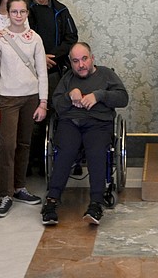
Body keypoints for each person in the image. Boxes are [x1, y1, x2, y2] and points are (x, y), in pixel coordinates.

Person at [41, 42, 129, 226]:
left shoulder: (106, 74)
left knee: (97, 152)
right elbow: (56, 104)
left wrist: (99, 95)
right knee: (65, 151)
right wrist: (69, 95)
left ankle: (96, 203)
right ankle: (51, 200)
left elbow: (123, 98)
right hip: (70, 123)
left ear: (92, 58)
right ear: (71, 63)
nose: (81, 65)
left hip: (98, 124)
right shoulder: (67, 79)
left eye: (84, 59)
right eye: (75, 61)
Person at [0, 0, 47, 218]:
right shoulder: (0, 40)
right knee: (7, 145)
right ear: (8, 13)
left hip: (31, 98)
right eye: (14, 12)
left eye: (22, 11)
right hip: (7, 100)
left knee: (24, 143)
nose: (19, 15)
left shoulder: (35, 39)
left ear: (27, 13)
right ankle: (5, 193)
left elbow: (42, 72)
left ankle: (20, 186)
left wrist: (43, 102)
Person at [27, 0, 79, 173]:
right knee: (33, 118)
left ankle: (53, 160)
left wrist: (53, 57)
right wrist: (39, 58)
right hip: (28, 72)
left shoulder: (61, 10)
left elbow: (71, 38)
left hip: (54, 71)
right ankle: (32, 163)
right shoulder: (23, 9)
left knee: (54, 115)